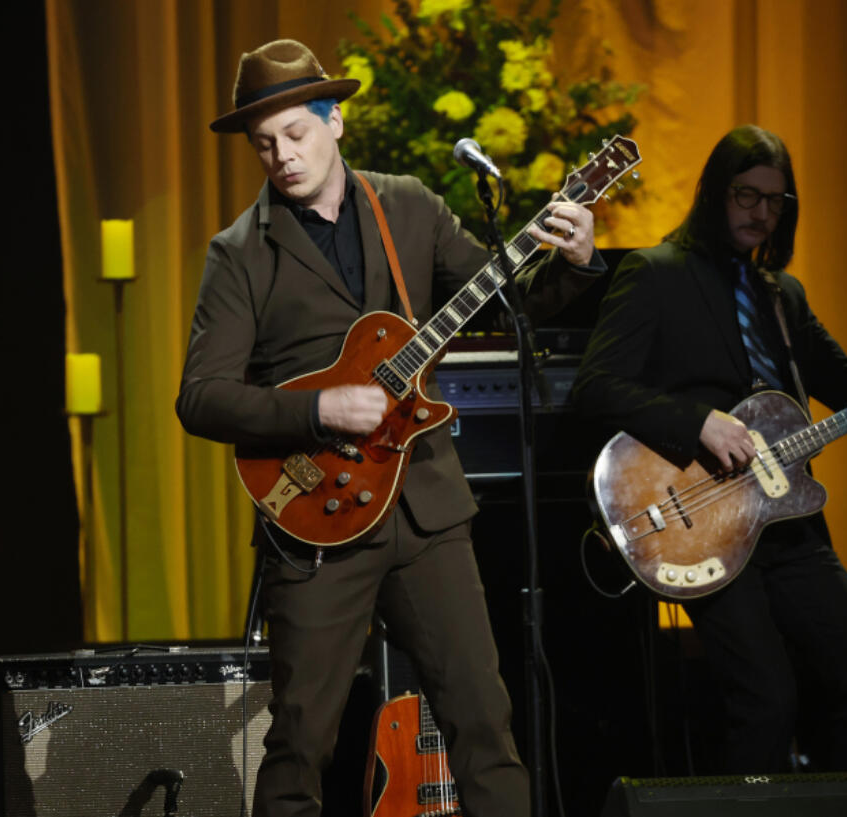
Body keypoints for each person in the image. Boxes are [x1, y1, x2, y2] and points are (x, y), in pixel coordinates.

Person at [176, 39, 604, 817]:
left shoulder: (407, 205)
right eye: (264, 144)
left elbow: (511, 303)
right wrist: (318, 408)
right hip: (317, 522)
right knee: (300, 741)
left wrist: (572, 261)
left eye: (296, 135)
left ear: (335, 119)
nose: (281, 156)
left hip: (428, 509)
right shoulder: (238, 253)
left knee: (484, 721)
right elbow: (199, 397)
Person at [571, 124, 847, 789]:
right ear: (716, 192)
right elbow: (595, 387)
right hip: (703, 521)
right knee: (766, 698)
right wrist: (699, 422)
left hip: (789, 524)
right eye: (747, 196)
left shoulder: (782, 295)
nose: (761, 213)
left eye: (775, 201)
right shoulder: (655, 274)